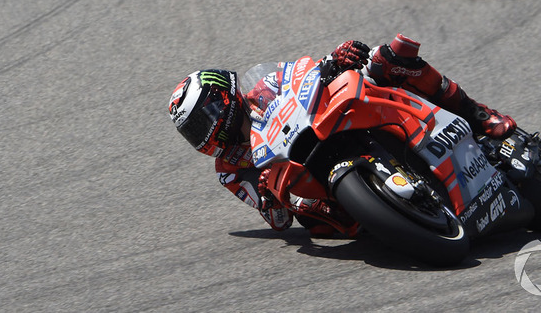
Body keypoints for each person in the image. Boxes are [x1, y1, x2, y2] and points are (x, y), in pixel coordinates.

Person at [167, 34, 517, 237]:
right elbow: (279, 222)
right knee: (308, 215)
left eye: (201, 122)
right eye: (192, 133)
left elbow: (301, 77)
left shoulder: (264, 85)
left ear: (222, 98)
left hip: (322, 125)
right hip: (319, 193)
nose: (203, 135)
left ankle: (474, 112)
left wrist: (334, 60)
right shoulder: (228, 167)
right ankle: (386, 210)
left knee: (387, 61)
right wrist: (268, 199)